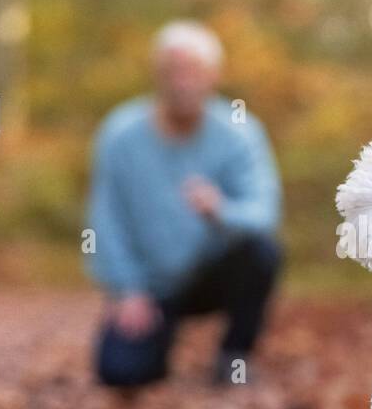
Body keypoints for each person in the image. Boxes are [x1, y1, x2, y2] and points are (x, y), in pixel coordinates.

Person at [87, 21, 281, 386]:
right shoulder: (119, 134)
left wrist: (220, 210)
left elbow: (263, 214)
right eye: (172, 71)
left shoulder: (241, 132)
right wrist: (126, 290)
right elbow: (105, 222)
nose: (182, 82)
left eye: (193, 71)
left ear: (214, 76)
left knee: (262, 252)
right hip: (149, 287)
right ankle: (157, 342)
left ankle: (234, 354)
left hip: (212, 275)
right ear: (157, 75)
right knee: (120, 373)